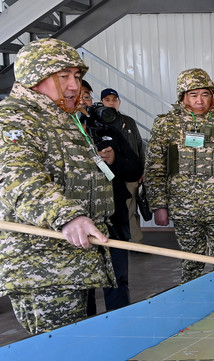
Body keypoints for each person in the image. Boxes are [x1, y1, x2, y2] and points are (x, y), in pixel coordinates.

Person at [0, 38, 115, 334]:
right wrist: (68, 216)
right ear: (34, 77)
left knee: (75, 342)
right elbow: (18, 178)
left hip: (70, 259)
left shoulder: (60, 118)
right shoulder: (14, 118)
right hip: (41, 264)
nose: (74, 86)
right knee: (57, 347)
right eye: (63, 77)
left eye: (76, 76)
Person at [145, 68, 214, 283]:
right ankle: (193, 301)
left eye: (205, 94)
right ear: (183, 97)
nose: (200, 100)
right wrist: (159, 206)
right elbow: (155, 168)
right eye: (193, 95)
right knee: (191, 265)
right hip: (184, 209)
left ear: (212, 94)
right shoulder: (167, 124)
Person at [88, 129, 143, 313]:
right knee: (82, 287)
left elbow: (135, 170)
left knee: (118, 280)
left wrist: (115, 160)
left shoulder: (108, 131)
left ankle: (120, 321)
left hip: (113, 220)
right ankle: (85, 326)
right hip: (76, 222)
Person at [99, 87, 146, 243]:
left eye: (114, 100)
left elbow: (139, 146)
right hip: (107, 175)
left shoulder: (128, 122)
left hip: (129, 171)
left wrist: (142, 169)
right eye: (107, 100)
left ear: (119, 102)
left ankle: (135, 242)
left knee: (131, 208)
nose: (111, 103)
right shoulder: (97, 122)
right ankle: (115, 243)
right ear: (101, 102)